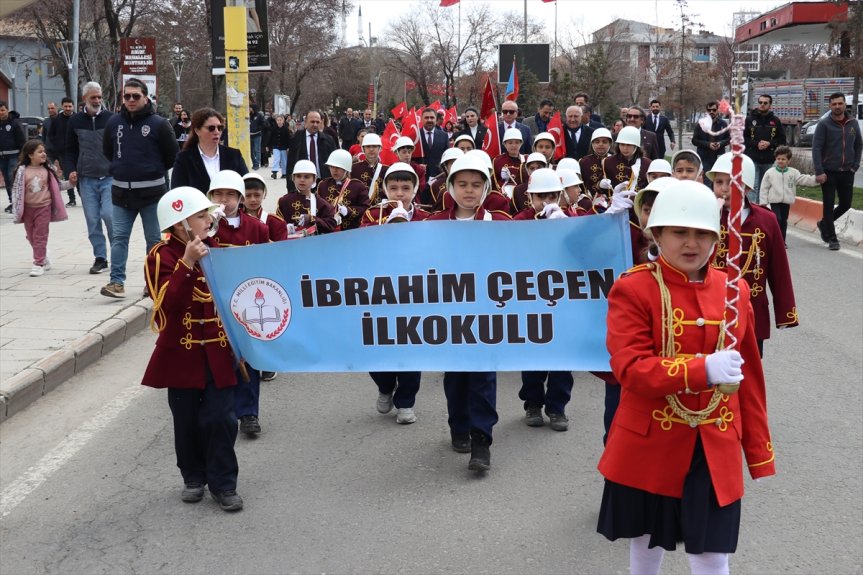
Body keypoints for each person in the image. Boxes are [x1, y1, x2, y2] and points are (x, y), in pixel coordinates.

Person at [597, 180, 775, 575]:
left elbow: (750, 381)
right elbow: (630, 367)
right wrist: (702, 368)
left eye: (702, 233)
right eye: (680, 232)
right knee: (644, 538)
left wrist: (759, 453)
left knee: (711, 552)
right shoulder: (633, 288)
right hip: (649, 441)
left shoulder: (735, 291)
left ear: (716, 238)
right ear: (656, 233)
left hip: (715, 442)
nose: (691, 243)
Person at [144, 186, 244, 512]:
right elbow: (169, 304)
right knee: (185, 420)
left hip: (217, 351)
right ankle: (192, 476)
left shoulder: (217, 249)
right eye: (201, 215)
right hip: (181, 354)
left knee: (222, 418)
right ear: (180, 223)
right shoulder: (161, 255)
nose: (209, 219)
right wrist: (187, 263)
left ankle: (224, 483)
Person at [427, 154, 509, 473]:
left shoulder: (500, 222)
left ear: (486, 187)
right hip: (447, 316)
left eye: (476, 184)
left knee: (484, 377)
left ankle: (481, 439)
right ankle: (458, 426)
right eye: (462, 184)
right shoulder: (432, 224)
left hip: (486, 315)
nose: (469, 191)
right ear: (450, 187)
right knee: (456, 377)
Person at [707, 152, 798, 356]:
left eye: (730, 183)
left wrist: (786, 312)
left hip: (752, 309)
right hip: (710, 308)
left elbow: (779, 269)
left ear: (746, 187)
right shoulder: (705, 215)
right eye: (718, 182)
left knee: (748, 371)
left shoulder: (766, 220)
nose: (723, 188)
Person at [101, 78, 179, 299]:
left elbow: (171, 156)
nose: (131, 100)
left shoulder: (159, 123)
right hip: (121, 193)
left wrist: (150, 169)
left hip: (152, 193)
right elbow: (108, 151)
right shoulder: (114, 123)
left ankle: (152, 283)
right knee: (118, 237)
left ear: (146, 97)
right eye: (127, 96)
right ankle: (116, 282)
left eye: (136, 96)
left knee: (154, 240)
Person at [206, 170, 270, 435]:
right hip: (212, 303)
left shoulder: (257, 228)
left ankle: (248, 413)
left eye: (230, 195)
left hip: (245, 303)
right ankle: (221, 411)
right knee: (218, 359)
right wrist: (208, 227)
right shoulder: (204, 226)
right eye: (218, 194)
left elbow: (266, 264)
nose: (224, 200)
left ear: (240, 199)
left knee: (246, 358)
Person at [66, 81, 115, 275]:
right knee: (92, 219)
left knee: (109, 215)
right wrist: (70, 169)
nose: (97, 100)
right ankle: (100, 258)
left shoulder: (112, 119)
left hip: (110, 177)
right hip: (86, 179)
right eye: (93, 97)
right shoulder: (75, 121)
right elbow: (69, 149)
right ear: (85, 99)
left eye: (99, 97)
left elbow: (120, 147)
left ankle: (118, 253)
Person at [10, 139, 74, 276]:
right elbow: (16, 190)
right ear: (30, 155)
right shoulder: (21, 171)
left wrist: (71, 183)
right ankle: (43, 257)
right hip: (28, 209)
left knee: (40, 236)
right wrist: (16, 208)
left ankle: (38, 263)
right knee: (31, 236)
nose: (43, 154)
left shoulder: (48, 170)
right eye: (39, 152)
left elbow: (59, 186)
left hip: (44, 208)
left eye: (44, 151)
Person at [812, 92, 862, 251]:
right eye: (834, 104)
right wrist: (819, 171)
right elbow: (816, 148)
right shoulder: (824, 124)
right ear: (830, 106)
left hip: (847, 171)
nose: (837, 106)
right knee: (828, 205)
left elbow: (859, 145)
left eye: (840, 103)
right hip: (828, 172)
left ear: (844, 104)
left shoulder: (853, 123)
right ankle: (832, 238)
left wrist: (855, 165)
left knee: (846, 205)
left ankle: (823, 223)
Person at [171, 108, 248, 192]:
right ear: (197, 131)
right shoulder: (184, 159)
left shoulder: (234, 155)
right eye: (211, 128)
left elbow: (247, 186)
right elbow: (177, 193)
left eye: (220, 128)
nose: (217, 132)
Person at [759, 145, 817, 242]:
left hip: (786, 201)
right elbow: (764, 188)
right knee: (778, 219)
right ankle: (774, 239)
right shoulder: (770, 173)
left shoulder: (793, 172)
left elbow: (803, 179)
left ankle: (782, 241)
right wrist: (763, 201)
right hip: (774, 201)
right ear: (775, 159)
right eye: (778, 159)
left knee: (784, 221)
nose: (781, 161)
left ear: (788, 161)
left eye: (783, 159)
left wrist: (816, 179)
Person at [744, 94, 786, 204]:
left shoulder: (775, 121)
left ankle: (761, 211)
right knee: (753, 186)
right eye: (760, 102)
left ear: (770, 105)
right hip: (752, 158)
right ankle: (751, 210)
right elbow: (743, 138)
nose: (762, 105)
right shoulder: (749, 119)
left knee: (764, 187)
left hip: (768, 159)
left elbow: (782, 139)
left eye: (765, 103)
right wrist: (756, 144)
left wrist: (770, 143)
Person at [276, 160, 337, 234]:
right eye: (298, 176)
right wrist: (286, 228)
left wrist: (312, 219)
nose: (302, 180)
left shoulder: (322, 204)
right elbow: (276, 226)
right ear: (293, 178)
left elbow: (331, 225)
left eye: (306, 177)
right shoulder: (284, 201)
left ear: (314, 179)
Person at [317, 149, 370, 230]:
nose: (334, 170)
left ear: (346, 168)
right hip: (328, 230)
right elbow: (318, 208)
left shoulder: (358, 186)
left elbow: (365, 208)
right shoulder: (323, 185)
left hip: (350, 230)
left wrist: (348, 211)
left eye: (338, 167)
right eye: (331, 167)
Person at [285, 110, 337, 191]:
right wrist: (291, 186)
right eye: (312, 122)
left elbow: (334, 163)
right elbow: (291, 163)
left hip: (323, 183)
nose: (315, 124)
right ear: (305, 122)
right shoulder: (296, 138)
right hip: (303, 182)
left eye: (317, 122)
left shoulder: (328, 140)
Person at [692, 101, 729, 190]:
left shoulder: (723, 124)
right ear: (706, 111)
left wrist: (720, 144)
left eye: (714, 110)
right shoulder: (701, 124)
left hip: (719, 156)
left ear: (717, 110)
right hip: (705, 156)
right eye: (709, 110)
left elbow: (729, 139)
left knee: (718, 180)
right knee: (707, 181)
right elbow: (694, 140)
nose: (711, 112)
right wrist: (708, 145)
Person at [242, 172, 288, 242]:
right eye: (247, 195)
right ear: (241, 197)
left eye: (257, 195)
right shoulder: (235, 221)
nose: (253, 199)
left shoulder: (275, 223)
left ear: (264, 194)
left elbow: (282, 250)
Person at [1, 100, 26, 213]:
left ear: (7, 109)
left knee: (13, 179)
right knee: (7, 180)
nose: (0, 112)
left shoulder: (15, 123)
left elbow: (22, 140)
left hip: (14, 156)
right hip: (2, 157)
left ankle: (17, 202)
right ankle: (12, 201)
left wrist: (23, 156)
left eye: (2, 110)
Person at [350, 133, 389, 204]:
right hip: (360, 209)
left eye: (374, 146)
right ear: (363, 148)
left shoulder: (387, 170)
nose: (371, 149)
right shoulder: (353, 169)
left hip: (380, 210)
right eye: (368, 147)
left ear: (379, 148)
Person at [580, 128, 614, 197]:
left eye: (604, 142)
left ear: (610, 144)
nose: (601, 144)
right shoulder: (583, 162)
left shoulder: (615, 160)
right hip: (590, 202)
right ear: (592, 143)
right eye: (597, 142)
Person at [493, 127, 527, 192]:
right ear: (505, 144)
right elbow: (494, 183)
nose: (514, 145)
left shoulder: (526, 159)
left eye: (517, 142)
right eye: (510, 143)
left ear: (521, 144)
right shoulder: (497, 161)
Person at [418, 107, 448, 178]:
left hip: (439, 177)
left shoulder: (444, 135)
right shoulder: (415, 136)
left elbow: (446, 156)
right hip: (421, 177)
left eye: (432, 117)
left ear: (436, 119)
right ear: (421, 119)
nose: (429, 120)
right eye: (426, 118)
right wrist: (417, 166)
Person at [268, 115, 291, 179]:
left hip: (284, 147)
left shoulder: (286, 129)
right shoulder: (273, 128)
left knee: (284, 160)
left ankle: (284, 173)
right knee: (276, 159)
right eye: (278, 120)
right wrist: (268, 145)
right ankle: (274, 172)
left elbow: (288, 139)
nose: (279, 121)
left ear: (283, 121)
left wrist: (288, 147)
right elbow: (271, 138)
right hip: (276, 147)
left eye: (280, 120)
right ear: (276, 121)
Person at [249, 104, 266, 170]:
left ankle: (257, 164)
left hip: (257, 135)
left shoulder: (259, 116)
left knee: (257, 150)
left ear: (253, 108)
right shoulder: (248, 115)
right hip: (250, 135)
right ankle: (254, 163)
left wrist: (257, 129)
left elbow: (263, 124)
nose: (249, 109)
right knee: (251, 151)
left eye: (250, 108)